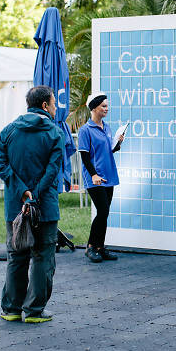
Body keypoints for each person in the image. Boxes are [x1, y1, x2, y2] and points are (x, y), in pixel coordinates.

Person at [0, 85, 63, 323]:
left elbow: (0, 165)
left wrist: (22, 191)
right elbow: (53, 170)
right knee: (43, 257)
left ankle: (11, 309)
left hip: (15, 207)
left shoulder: (8, 131)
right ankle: (35, 310)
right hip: (44, 207)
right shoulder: (55, 133)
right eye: (54, 103)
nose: (56, 107)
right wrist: (34, 194)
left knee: (16, 256)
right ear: (45, 105)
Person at [77, 92, 124, 263]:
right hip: (95, 177)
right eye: (103, 106)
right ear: (94, 108)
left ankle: (100, 247)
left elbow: (108, 150)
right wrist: (93, 175)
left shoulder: (107, 127)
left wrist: (117, 144)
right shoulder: (85, 130)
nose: (107, 108)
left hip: (109, 175)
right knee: (102, 211)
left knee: (104, 213)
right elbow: (84, 156)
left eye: (107, 105)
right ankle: (91, 247)